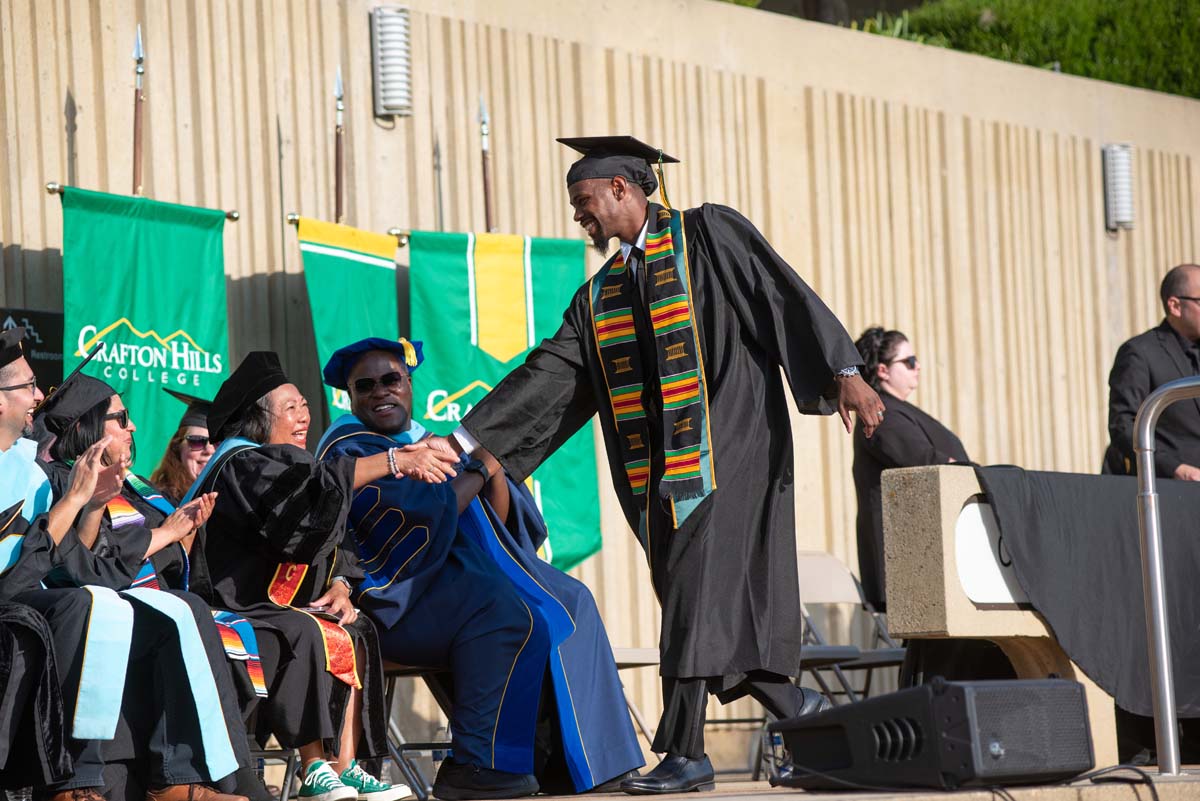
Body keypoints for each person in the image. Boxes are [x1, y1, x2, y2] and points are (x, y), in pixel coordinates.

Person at [423, 136, 884, 794]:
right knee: (702, 601)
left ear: (622, 189)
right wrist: (470, 444)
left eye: (583, 201)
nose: (578, 215)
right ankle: (805, 712)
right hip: (660, 476)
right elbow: (550, 379)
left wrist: (844, 370)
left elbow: (782, 291)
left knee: (695, 590)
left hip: (733, 446)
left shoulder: (707, 234)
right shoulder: (599, 297)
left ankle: (686, 751)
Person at [316, 338, 644, 800]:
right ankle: (477, 764)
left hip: (456, 583)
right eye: (363, 386)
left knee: (570, 601)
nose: (378, 392)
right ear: (350, 398)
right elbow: (422, 518)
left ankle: (578, 765)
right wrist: (476, 464)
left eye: (390, 379)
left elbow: (503, 517)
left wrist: (493, 468)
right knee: (505, 614)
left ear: (409, 384)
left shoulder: (431, 443)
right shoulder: (352, 450)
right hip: (397, 599)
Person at [183, 352, 458, 801]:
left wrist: (342, 584)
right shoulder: (241, 464)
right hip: (232, 606)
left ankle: (345, 768)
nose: (303, 417)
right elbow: (306, 507)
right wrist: (393, 461)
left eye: (305, 406)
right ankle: (315, 768)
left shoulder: (289, 465)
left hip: (275, 605)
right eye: (290, 408)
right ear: (258, 419)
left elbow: (328, 538)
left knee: (354, 625)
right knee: (309, 629)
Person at [0, 327, 247, 801]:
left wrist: (90, 506)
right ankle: (75, 782)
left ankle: (179, 779)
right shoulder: (47, 477)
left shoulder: (32, 471)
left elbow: (85, 567)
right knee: (84, 604)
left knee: (178, 608)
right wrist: (76, 502)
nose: (38, 395)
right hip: (23, 610)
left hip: (59, 605)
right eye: (28, 386)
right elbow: (18, 580)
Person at [38, 376, 274, 741]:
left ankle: (232, 771)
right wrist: (163, 532)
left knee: (258, 628)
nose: (131, 425)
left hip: (147, 598)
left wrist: (189, 528)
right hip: (108, 608)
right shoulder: (56, 480)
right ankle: (207, 775)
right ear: (87, 427)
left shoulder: (137, 485)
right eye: (120, 417)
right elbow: (80, 567)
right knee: (190, 613)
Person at [851, 327, 968, 611]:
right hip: (906, 563)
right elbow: (927, 461)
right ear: (883, 370)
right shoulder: (883, 415)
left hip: (926, 557)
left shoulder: (897, 410)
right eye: (910, 361)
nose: (918, 368)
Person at [1103, 262, 1200, 479]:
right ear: (1175, 306)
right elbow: (1123, 426)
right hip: (1167, 489)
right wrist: (1177, 469)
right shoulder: (1140, 352)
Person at [151, 388, 217, 504]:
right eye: (197, 441)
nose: (209, 450)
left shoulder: (236, 500)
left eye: (217, 442)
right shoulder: (158, 502)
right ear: (177, 447)